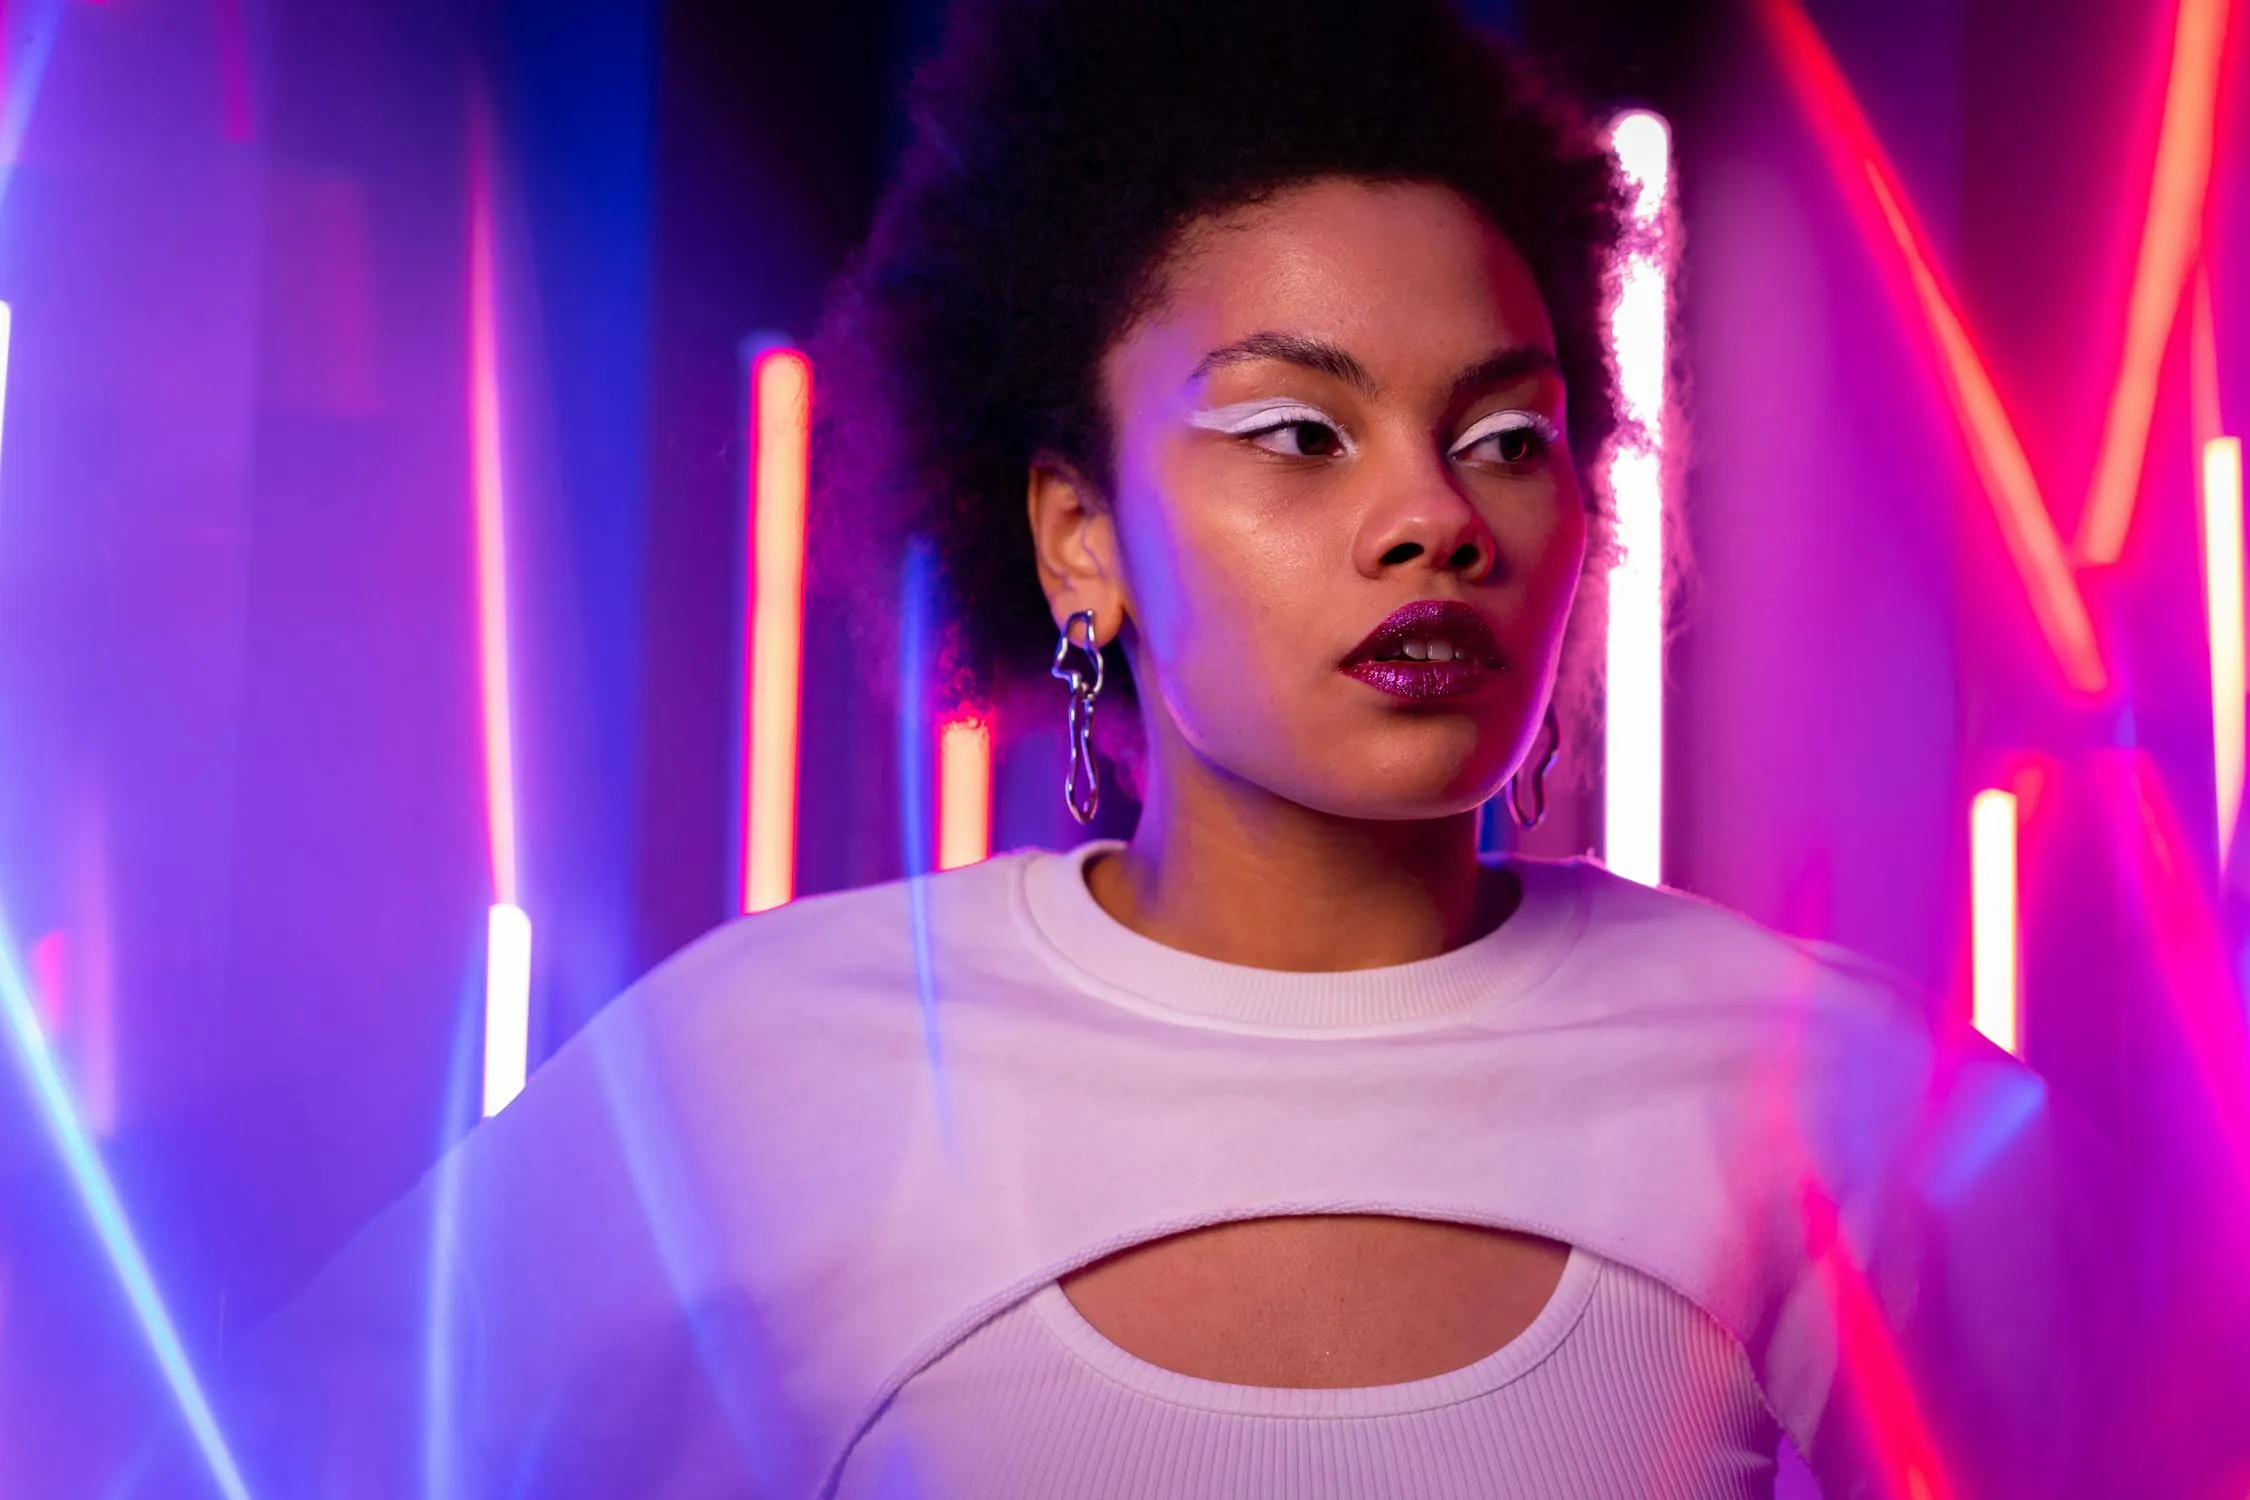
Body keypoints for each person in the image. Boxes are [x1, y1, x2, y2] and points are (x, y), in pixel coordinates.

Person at [233, 0, 2135, 1495]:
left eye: (1502, 436)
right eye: (1298, 436)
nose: (1432, 520)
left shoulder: (1846, 1103)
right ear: (1080, 539)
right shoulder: (750, 1076)